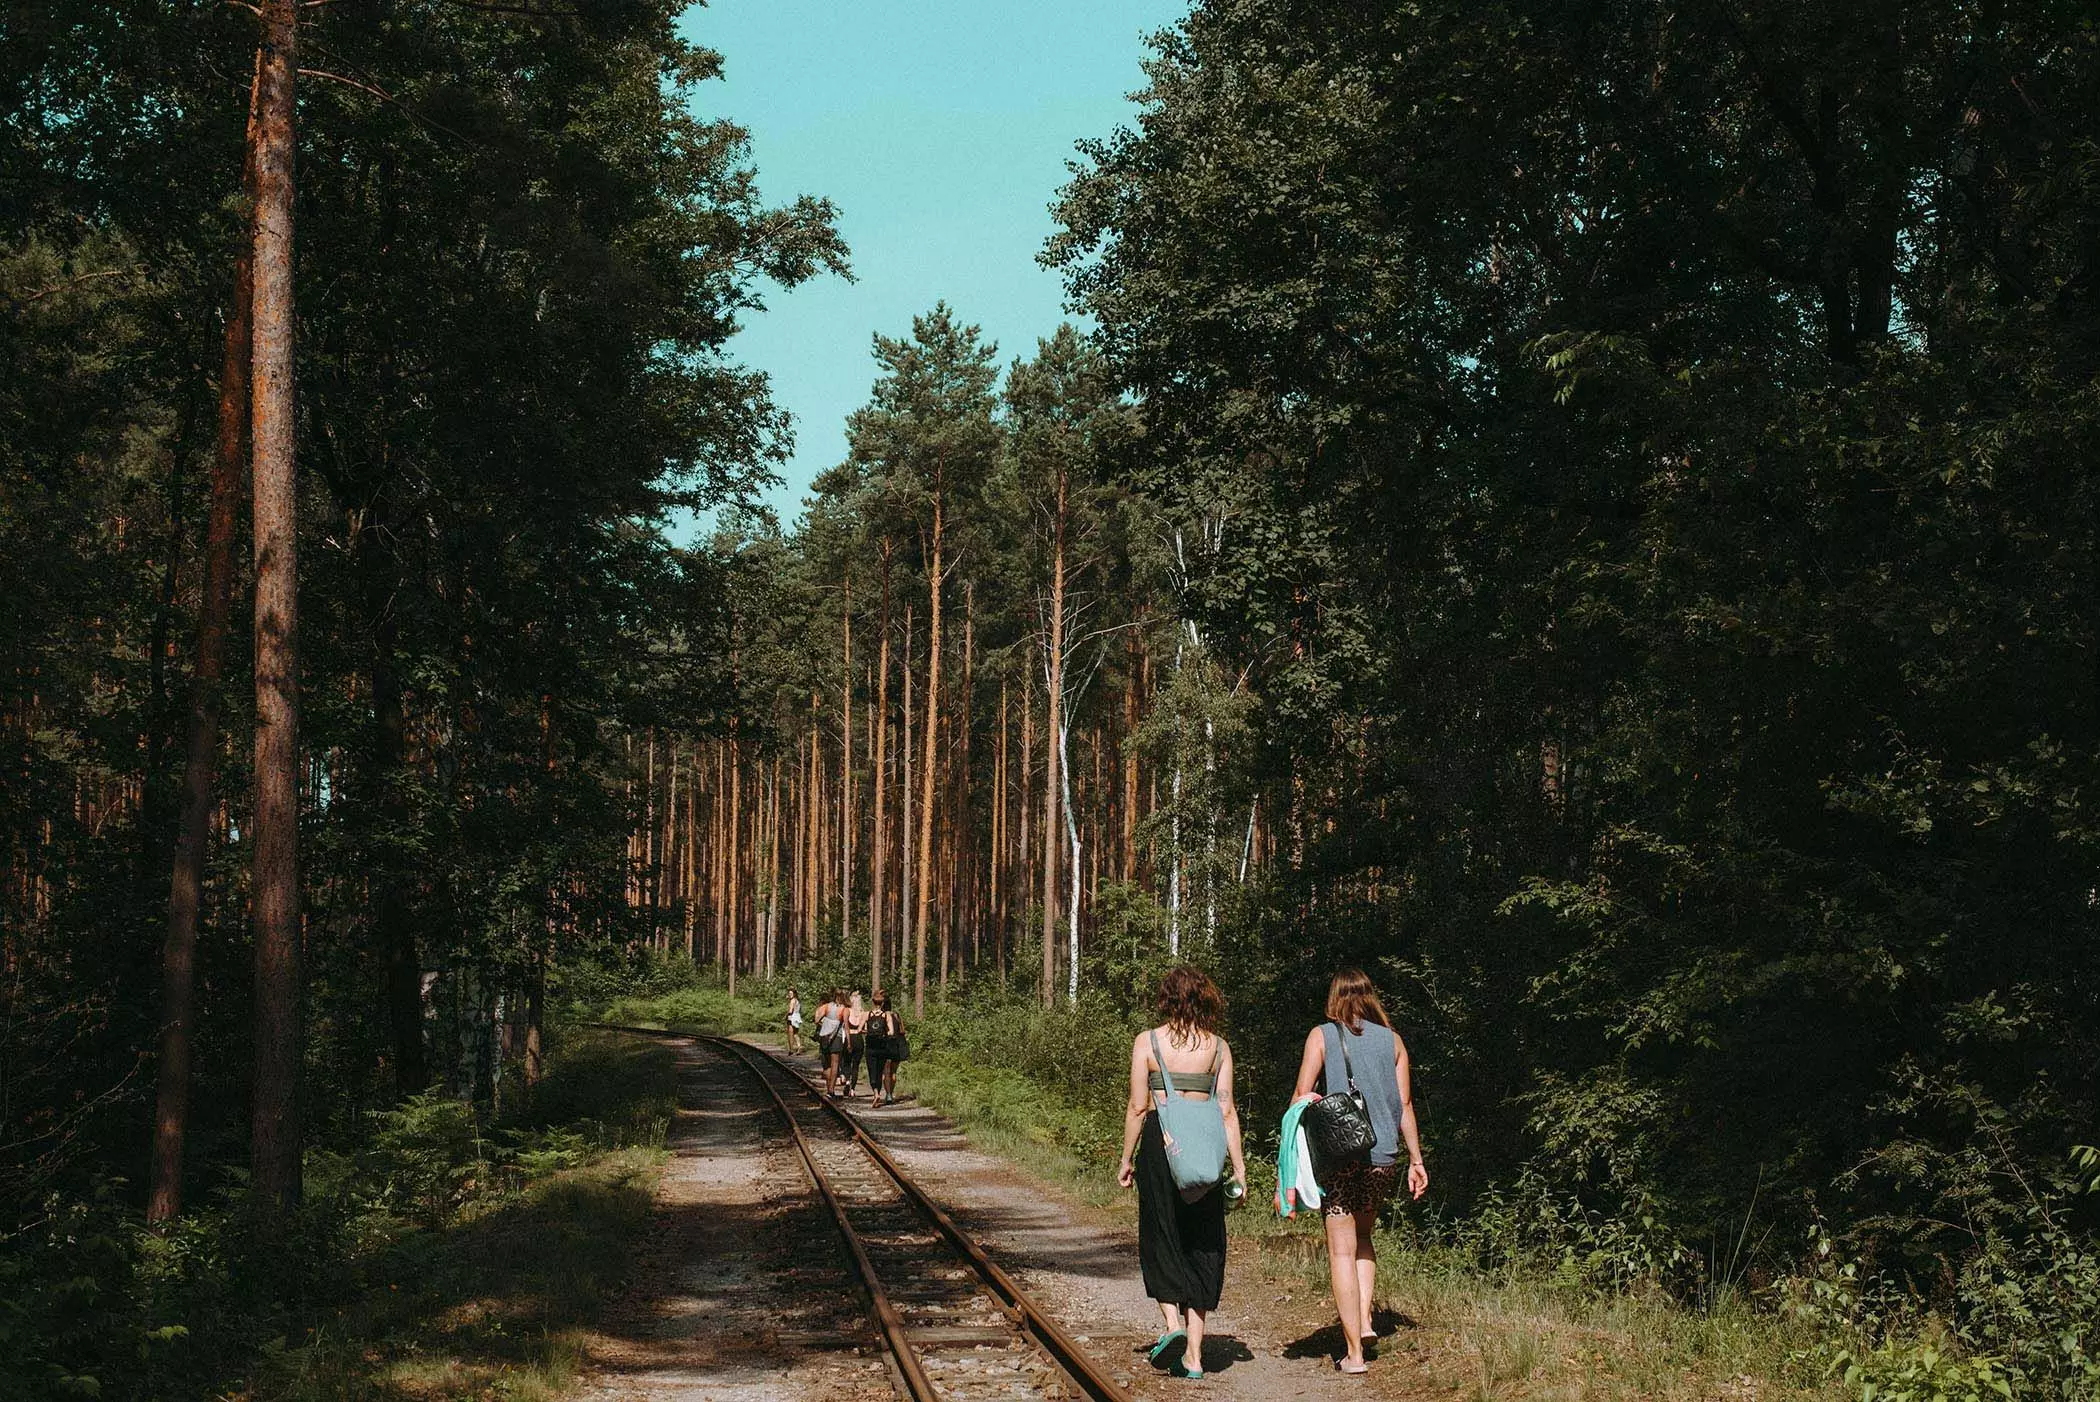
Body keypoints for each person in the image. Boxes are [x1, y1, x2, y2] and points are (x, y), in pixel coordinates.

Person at [1291, 967, 1427, 1376]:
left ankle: (1353, 1353)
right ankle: (1365, 1321)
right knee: (1365, 1237)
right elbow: (1404, 1106)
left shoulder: (1322, 1035)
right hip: (1382, 1158)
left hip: (1341, 1160)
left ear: (1335, 997)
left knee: (1341, 1250)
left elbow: (1301, 1095)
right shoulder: (1394, 1041)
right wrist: (1417, 1161)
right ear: (1370, 997)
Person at [1117, 965, 1246, 1381]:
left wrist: (1126, 1158)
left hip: (1161, 1143)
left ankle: (1171, 1324)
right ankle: (1193, 1355)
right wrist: (1239, 1169)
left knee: (1161, 1232)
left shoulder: (1148, 1042)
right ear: (1204, 998)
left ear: (1167, 999)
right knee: (1203, 1240)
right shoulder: (1219, 1048)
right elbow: (1227, 1110)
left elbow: (1138, 1107)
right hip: (1205, 1150)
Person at [864, 990, 905, 1105]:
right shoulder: (896, 1015)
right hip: (895, 1046)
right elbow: (902, 1031)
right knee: (893, 1072)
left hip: (885, 1045)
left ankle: (888, 1095)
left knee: (885, 1071)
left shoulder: (882, 1016)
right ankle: (890, 1092)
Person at [815, 988, 846, 1097]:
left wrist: (825, 1024)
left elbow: (817, 1020)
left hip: (824, 1036)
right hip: (837, 1038)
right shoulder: (844, 1009)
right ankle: (831, 1090)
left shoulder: (826, 1006)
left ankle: (828, 1087)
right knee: (835, 1064)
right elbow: (846, 1025)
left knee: (827, 1065)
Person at [841, 988, 870, 1097]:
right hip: (859, 1039)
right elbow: (865, 1029)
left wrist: (848, 1043)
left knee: (846, 1062)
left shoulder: (847, 1011)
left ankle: (847, 1081)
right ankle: (853, 1089)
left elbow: (846, 1028)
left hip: (850, 1038)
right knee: (856, 1065)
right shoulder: (863, 1013)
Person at [784, 986, 804, 1056]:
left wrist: (786, 1016)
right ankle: (799, 1046)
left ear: (794, 994)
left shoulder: (792, 1001)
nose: (789, 995)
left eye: (791, 994)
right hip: (797, 1017)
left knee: (790, 1034)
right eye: (789, 994)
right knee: (795, 1033)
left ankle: (791, 1049)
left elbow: (790, 1011)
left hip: (791, 1018)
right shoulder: (797, 1000)